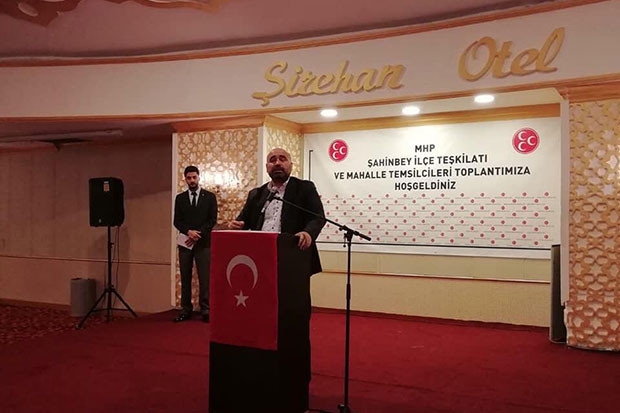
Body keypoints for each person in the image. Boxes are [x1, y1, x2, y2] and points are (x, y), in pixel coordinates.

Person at [229, 147, 325, 412]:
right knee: (262, 327)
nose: (277, 163)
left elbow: (317, 217)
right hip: (260, 272)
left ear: (291, 164)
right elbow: (243, 222)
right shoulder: (257, 194)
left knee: (294, 328)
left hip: (293, 266)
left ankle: (296, 385)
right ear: (267, 167)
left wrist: (308, 233)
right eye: (272, 160)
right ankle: (262, 379)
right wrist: (237, 226)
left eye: (282, 159)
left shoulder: (304, 189)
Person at [173, 165, 218, 323]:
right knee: (185, 276)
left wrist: (198, 233)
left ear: (199, 177)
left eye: (194, 177)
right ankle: (186, 309)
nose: (192, 180)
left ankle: (206, 309)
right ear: (185, 179)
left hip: (203, 242)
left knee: (205, 277)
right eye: (189, 178)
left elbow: (212, 220)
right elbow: (177, 221)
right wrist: (189, 232)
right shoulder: (180, 198)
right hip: (185, 242)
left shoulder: (210, 197)